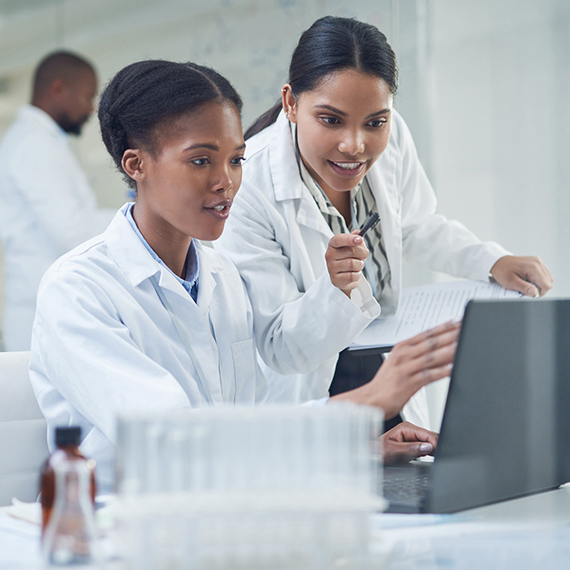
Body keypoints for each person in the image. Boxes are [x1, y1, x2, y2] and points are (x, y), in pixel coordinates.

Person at [29, 60, 459, 491]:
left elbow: (252, 427)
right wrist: (365, 401)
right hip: (123, 530)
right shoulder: (78, 289)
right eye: (201, 161)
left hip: (224, 511)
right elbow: (173, 440)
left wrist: (354, 449)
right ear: (136, 164)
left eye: (236, 160)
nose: (226, 182)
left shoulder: (222, 278)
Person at [214, 16, 554, 423]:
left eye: (375, 122)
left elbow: (414, 224)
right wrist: (336, 289)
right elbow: (280, 347)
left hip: (385, 367)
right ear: (291, 103)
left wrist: (489, 261)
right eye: (331, 119)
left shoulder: (393, 138)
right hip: (311, 394)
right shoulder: (248, 184)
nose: (355, 145)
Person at [0, 51, 115, 351]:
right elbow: (72, 231)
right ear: (58, 90)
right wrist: (141, 217)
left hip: (50, 306)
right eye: (88, 96)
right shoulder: (33, 144)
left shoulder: (43, 141)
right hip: (40, 313)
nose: (91, 108)